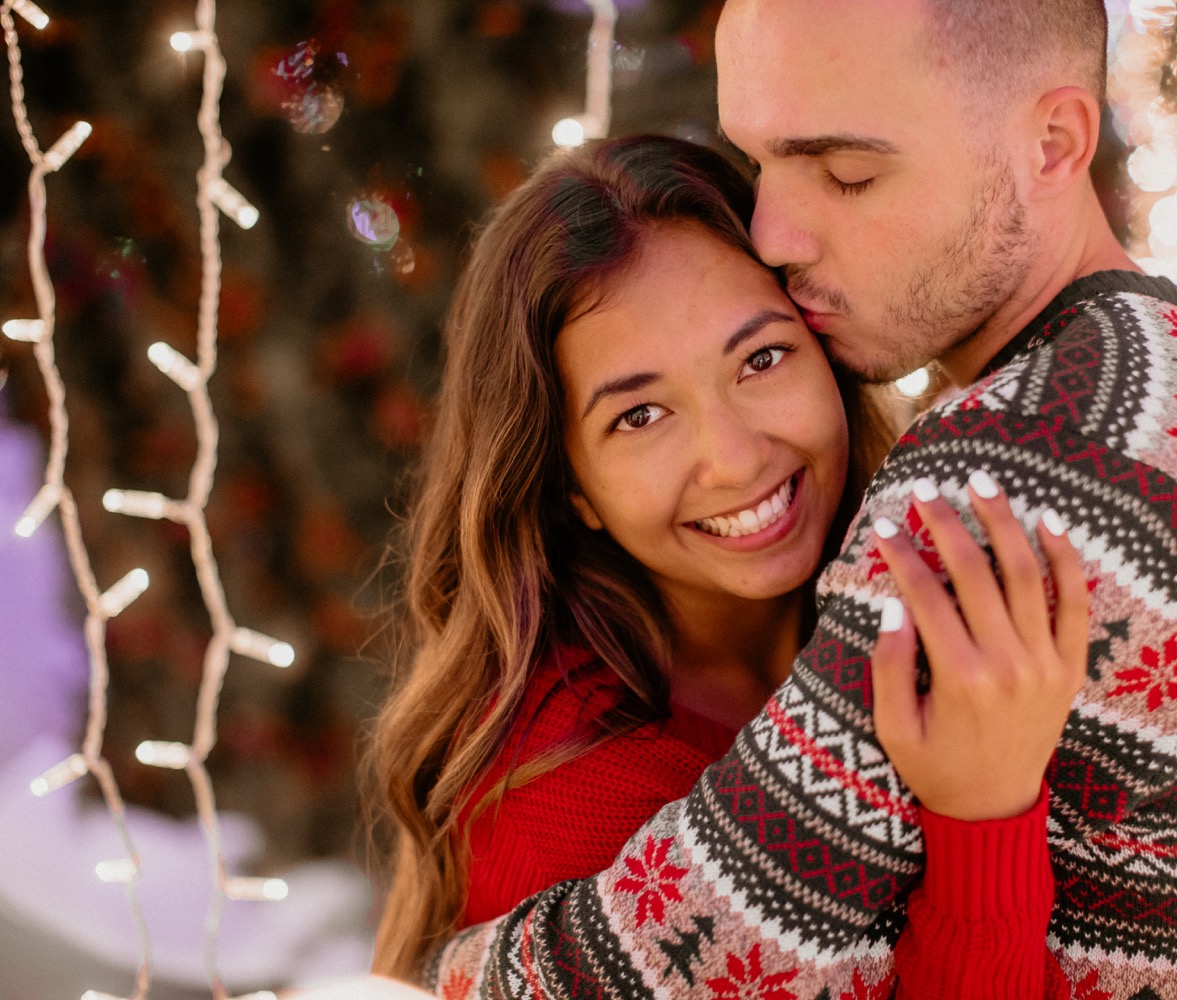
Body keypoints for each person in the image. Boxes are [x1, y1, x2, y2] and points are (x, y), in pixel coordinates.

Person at [409, 0, 1177, 995]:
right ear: (571, 486)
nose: (771, 234)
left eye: (847, 172)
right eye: (762, 159)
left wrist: (465, 977)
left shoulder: (996, 480)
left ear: (1052, 143)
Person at [373, 135, 1089, 999]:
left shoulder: (929, 586)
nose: (734, 457)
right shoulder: (561, 790)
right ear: (572, 487)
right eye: (639, 415)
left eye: (761, 358)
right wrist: (982, 817)